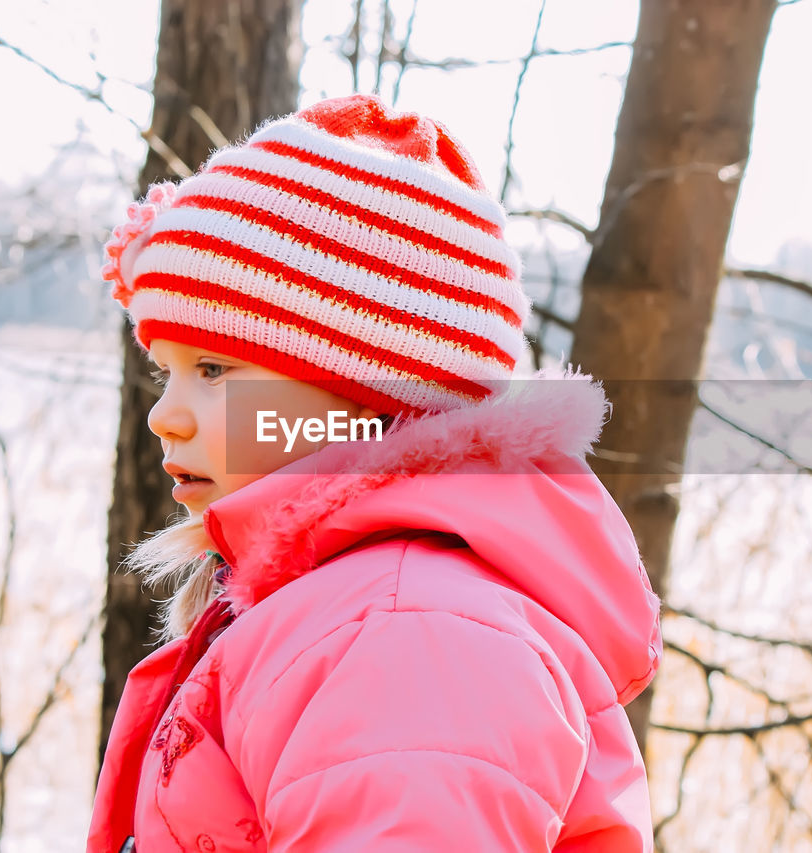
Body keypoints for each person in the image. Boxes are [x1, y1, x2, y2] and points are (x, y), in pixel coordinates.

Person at [87, 93, 661, 852]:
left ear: (365, 393)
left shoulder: (406, 632)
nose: (166, 414)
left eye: (215, 368)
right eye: (167, 372)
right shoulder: (343, 610)